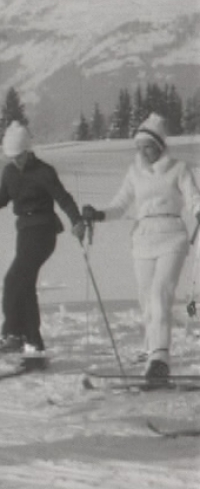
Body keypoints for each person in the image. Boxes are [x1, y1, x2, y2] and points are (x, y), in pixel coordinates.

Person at [82, 113, 200, 382]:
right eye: (138, 147)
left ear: (159, 145)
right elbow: (120, 204)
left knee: (160, 293)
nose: (142, 151)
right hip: (143, 239)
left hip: (172, 236)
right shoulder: (135, 172)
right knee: (147, 300)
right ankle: (152, 351)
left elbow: (194, 197)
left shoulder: (178, 168)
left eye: (147, 146)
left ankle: (159, 358)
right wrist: (98, 214)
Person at [0, 120, 85, 368]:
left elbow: (63, 198)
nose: (16, 161)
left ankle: (14, 335)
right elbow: (0, 199)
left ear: (28, 151)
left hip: (44, 231)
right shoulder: (9, 173)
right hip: (25, 232)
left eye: (19, 156)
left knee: (14, 279)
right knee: (24, 284)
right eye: (12, 157)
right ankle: (32, 343)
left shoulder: (44, 171)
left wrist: (77, 221)